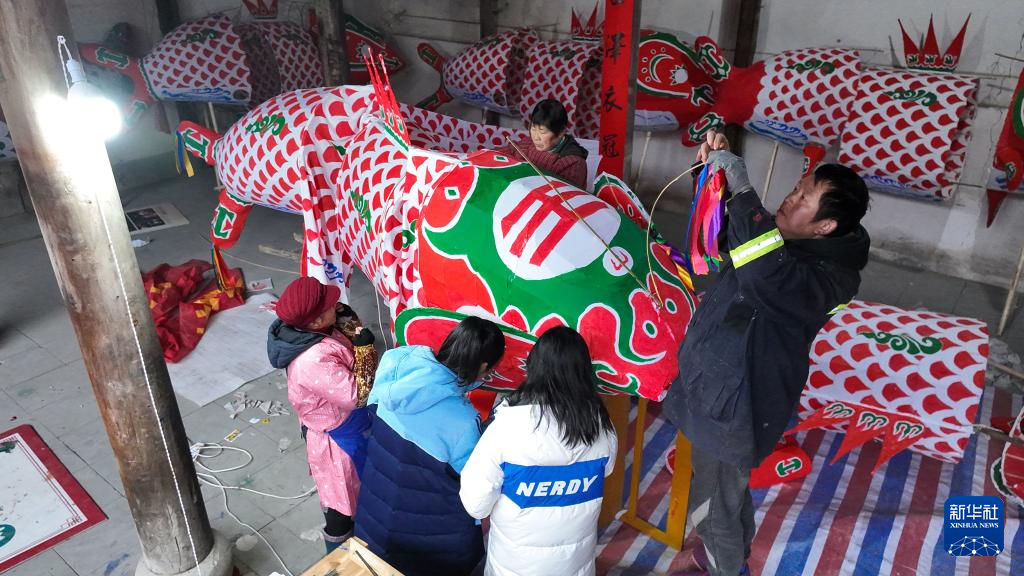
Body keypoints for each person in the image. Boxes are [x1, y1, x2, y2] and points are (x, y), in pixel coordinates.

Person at [666, 131, 871, 576]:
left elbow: (764, 274)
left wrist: (743, 190)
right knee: (726, 490)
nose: (790, 198)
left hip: (738, 399)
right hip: (719, 381)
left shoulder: (829, 276)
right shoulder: (788, 239)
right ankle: (731, 556)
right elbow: (728, 239)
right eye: (797, 188)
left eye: (803, 198)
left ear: (825, 226)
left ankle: (725, 566)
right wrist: (713, 178)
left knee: (713, 499)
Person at [354, 316, 506, 576]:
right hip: (427, 539)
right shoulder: (463, 422)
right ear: (483, 366)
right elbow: (474, 489)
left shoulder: (395, 366)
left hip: (375, 513)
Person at [460, 326, 617, 576]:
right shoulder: (602, 426)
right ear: (584, 372)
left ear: (534, 366)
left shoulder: (507, 428)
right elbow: (607, 470)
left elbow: (476, 505)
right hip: (575, 567)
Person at [266, 276, 377, 553]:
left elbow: (344, 333)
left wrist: (344, 317)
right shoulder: (312, 360)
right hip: (336, 439)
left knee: (358, 488)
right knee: (341, 502)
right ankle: (337, 557)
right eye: (329, 304)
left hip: (346, 425)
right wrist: (365, 352)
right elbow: (357, 396)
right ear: (315, 322)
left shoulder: (310, 329)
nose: (335, 304)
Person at [498, 99, 589, 189]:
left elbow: (564, 195)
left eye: (543, 132)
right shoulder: (527, 144)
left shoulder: (574, 164)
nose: (536, 137)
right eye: (533, 128)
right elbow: (499, 155)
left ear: (561, 132)